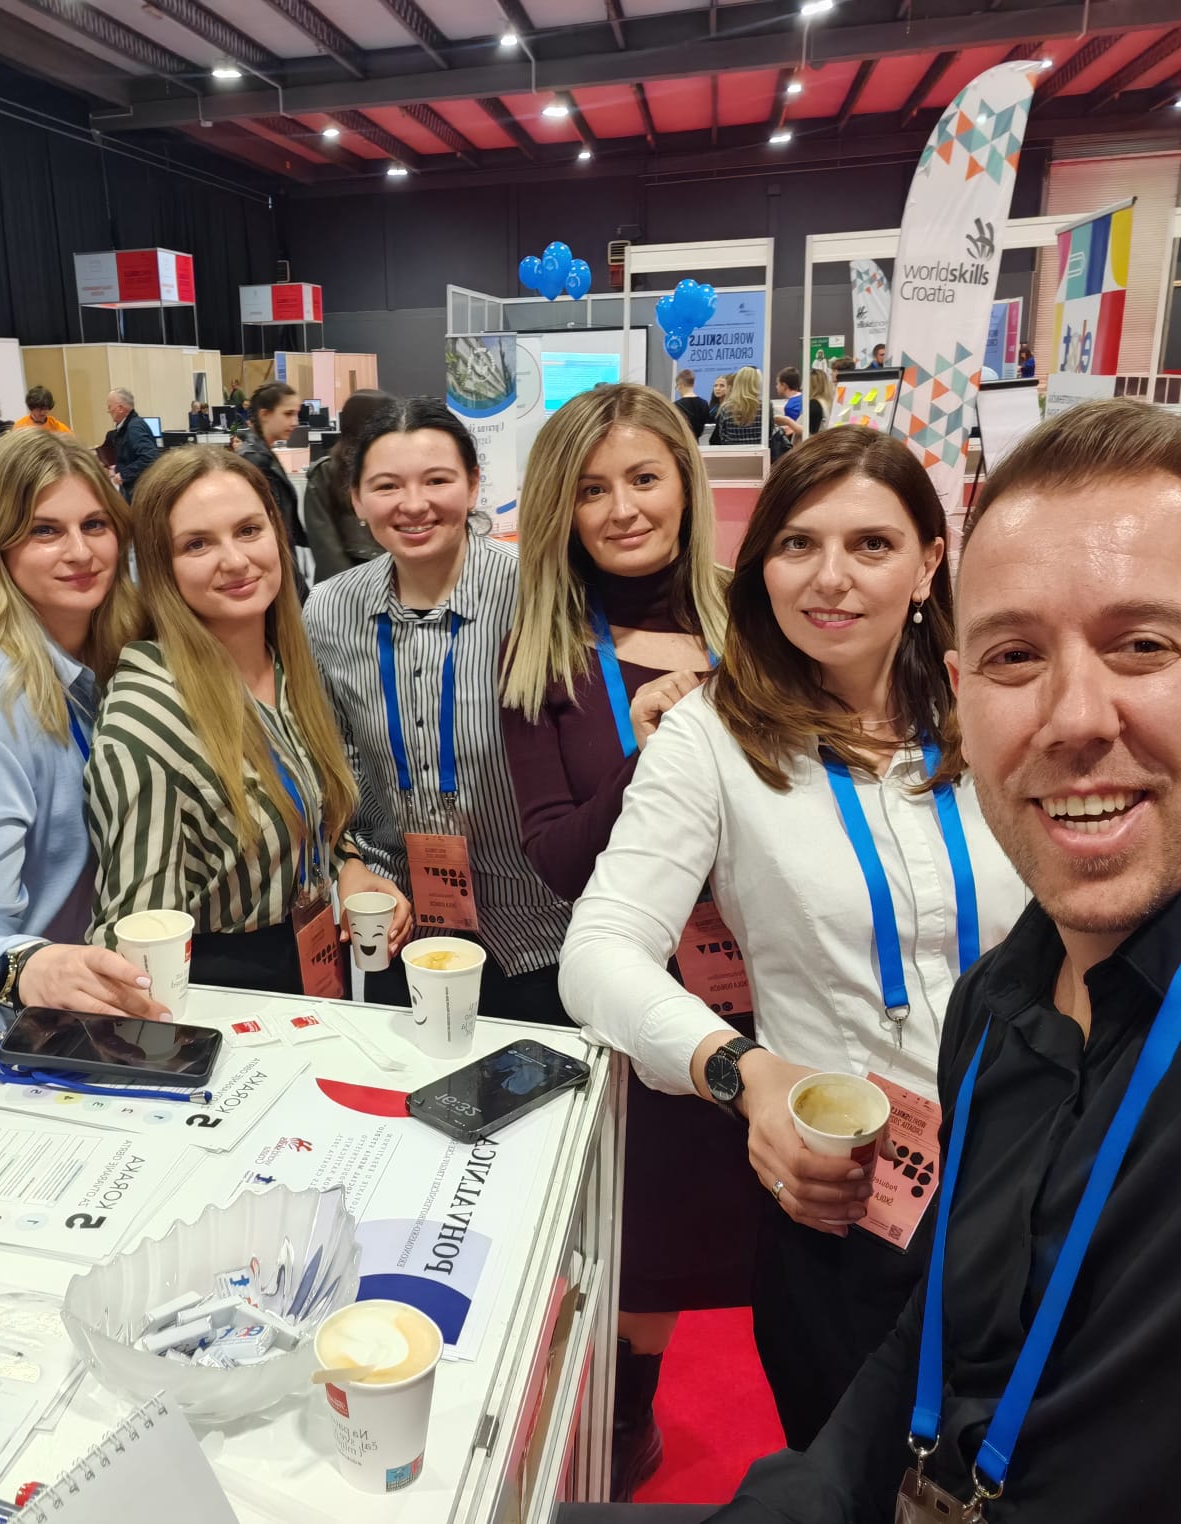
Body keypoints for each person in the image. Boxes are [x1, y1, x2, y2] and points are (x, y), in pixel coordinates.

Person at [684, 397, 1181, 1524]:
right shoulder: (993, 1006)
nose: (1074, 716)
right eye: (1014, 656)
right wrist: (813, 1489)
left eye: (1142, 645)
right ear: (961, 693)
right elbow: (953, 1316)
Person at [559, 426, 1027, 1451]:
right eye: (797, 544)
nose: (830, 577)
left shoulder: (998, 701)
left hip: (1041, 1179)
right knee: (855, 1479)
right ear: (760, 564)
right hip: (850, 1202)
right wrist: (745, 1073)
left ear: (928, 563)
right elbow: (598, 951)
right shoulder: (711, 736)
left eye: (871, 545)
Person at [498, 383, 736, 1496]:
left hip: (778, 978)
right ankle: (626, 1415)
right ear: (562, 509)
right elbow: (554, 859)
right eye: (592, 490)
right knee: (650, 1234)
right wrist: (653, 751)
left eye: (644, 478)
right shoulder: (541, 654)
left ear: (685, 484)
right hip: (643, 992)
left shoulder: (756, 622)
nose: (624, 508)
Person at [0, 430, 162, 1119]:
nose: (80, 552)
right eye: (45, 531)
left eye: (95, 525)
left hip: (76, 1034)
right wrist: (29, 968)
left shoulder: (107, 655)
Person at [304, 396, 567, 1021]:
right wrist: (348, 863)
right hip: (402, 927)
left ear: (473, 485)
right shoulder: (329, 611)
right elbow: (331, 763)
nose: (414, 504)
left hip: (540, 929)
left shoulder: (542, 592)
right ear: (357, 500)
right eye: (386, 486)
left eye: (437, 480)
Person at [84, 445, 361, 994]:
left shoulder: (287, 665)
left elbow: (303, 813)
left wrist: (347, 863)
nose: (234, 561)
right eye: (197, 544)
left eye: (248, 530)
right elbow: (136, 942)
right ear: (161, 566)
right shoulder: (147, 719)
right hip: (221, 996)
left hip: (309, 966)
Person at [299, 387, 393, 585]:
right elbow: (326, 548)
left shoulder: (395, 467)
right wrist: (353, 590)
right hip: (347, 586)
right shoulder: (324, 475)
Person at [238, 381, 308, 563]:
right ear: (265, 415)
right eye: (288, 414)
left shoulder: (262, 455)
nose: (295, 422)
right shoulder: (254, 460)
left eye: (296, 414)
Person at [103, 387, 160, 503]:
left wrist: (124, 474)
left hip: (138, 493)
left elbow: (150, 457)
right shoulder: (128, 426)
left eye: (110, 407)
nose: (108, 411)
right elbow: (131, 456)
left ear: (120, 408)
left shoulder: (134, 427)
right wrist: (118, 468)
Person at [711, 366, 766, 446]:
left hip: (733, 451)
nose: (717, 388)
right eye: (715, 385)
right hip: (760, 452)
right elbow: (769, 436)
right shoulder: (765, 407)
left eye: (722, 385)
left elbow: (722, 437)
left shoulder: (726, 408)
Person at [672, 369, 714, 442]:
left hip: (683, 443)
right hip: (698, 444)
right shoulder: (704, 403)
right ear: (693, 384)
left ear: (680, 385)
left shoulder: (676, 406)